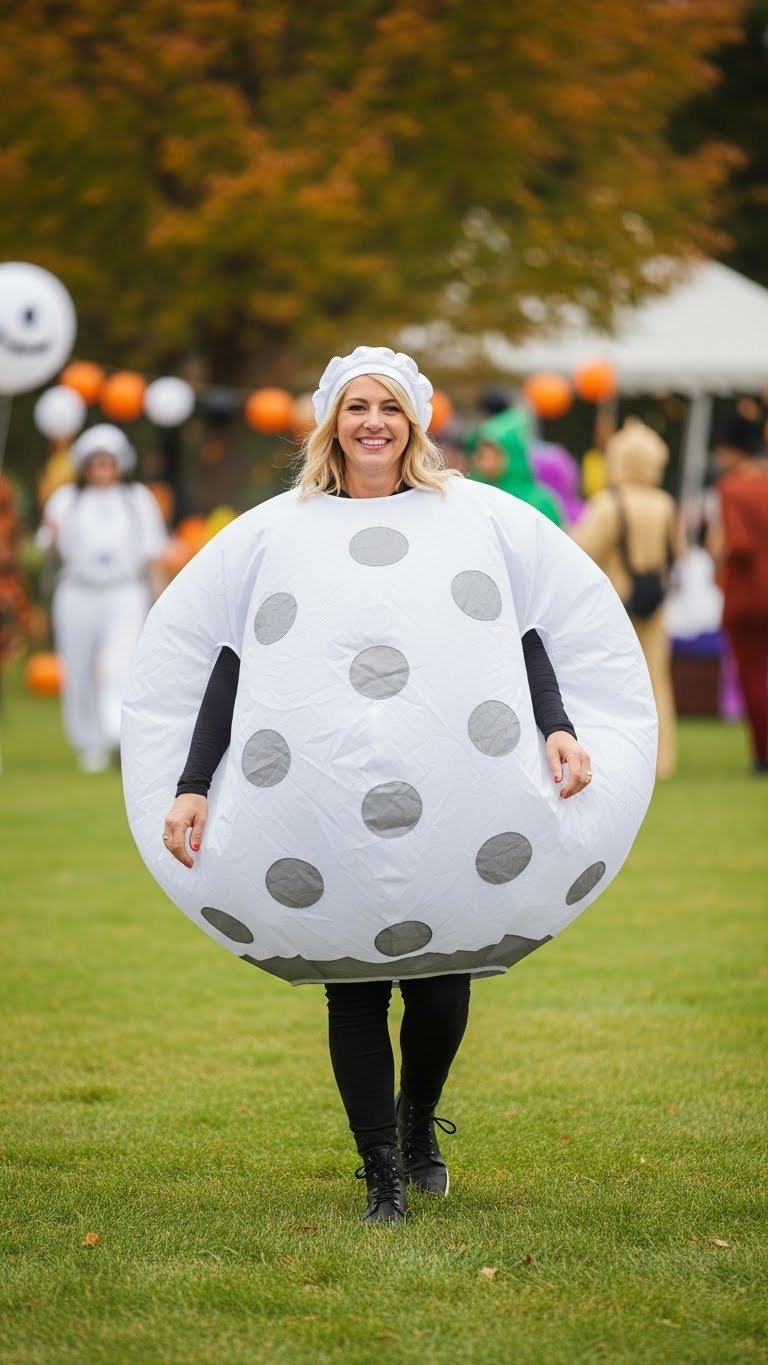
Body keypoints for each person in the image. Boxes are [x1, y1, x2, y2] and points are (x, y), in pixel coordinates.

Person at [123, 347, 656, 1227]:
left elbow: (523, 636)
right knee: (355, 985)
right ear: (332, 422)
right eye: (359, 406)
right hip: (326, 799)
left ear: (416, 423)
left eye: (392, 407)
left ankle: (417, 1126)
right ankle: (381, 1173)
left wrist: (559, 727)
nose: (375, 421)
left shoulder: (467, 519)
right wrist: (191, 783)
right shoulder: (279, 532)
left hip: (455, 794)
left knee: (444, 982)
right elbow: (231, 661)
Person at [37, 424, 167, 772]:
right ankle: (88, 742)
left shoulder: (138, 498)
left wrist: (159, 597)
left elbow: (153, 551)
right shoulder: (66, 499)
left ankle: (117, 732)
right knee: (77, 668)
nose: (101, 470)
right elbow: (47, 546)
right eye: (95, 462)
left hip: (124, 591)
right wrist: (50, 536)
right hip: (77, 592)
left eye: (108, 462)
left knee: (117, 665)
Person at [570, 418, 684, 779]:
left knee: (613, 685)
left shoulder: (607, 504)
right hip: (656, 606)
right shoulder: (665, 504)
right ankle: (662, 759)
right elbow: (677, 553)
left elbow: (579, 552)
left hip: (614, 606)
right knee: (657, 682)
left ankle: (621, 756)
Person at [708, 413, 768, 773]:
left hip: (747, 593)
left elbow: (740, 545)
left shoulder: (732, 487)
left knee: (752, 675)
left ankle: (763, 752)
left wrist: (719, 556)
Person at [470, 407, 564, 526]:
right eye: (482, 454)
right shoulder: (474, 493)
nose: (486, 462)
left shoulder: (539, 501)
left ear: (512, 455)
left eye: (494, 455)